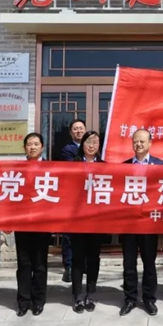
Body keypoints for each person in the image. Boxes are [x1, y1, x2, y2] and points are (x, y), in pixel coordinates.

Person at [119, 129, 163, 317]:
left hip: (149, 224)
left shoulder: (161, 165)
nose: (139, 144)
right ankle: (129, 299)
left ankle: (149, 299)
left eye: (142, 141)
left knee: (149, 264)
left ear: (150, 143)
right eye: (135, 141)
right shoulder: (123, 167)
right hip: (128, 224)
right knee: (129, 264)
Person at [12, 133, 51, 317]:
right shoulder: (18, 169)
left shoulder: (52, 169)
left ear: (42, 147)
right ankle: (23, 301)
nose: (33, 147)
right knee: (24, 263)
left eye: (36, 144)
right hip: (22, 223)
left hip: (43, 223)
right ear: (24, 147)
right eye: (29, 144)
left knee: (40, 264)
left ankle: (39, 300)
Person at [70, 131, 104, 314]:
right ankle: (76, 295)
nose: (91, 145)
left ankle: (91, 293)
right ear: (82, 144)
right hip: (77, 220)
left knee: (93, 258)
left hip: (97, 221)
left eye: (95, 142)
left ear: (99, 146)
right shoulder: (72, 166)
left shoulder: (106, 167)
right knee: (77, 258)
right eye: (88, 141)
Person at [58, 119, 87, 283]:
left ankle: (83, 264)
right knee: (69, 234)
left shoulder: (93, 148)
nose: (78, 131)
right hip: (71, 197)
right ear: (71, 133)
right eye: (75, 129)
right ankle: (68, 266)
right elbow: (75, 169)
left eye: (81, 128)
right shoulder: (67, 150)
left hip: (88, 197)